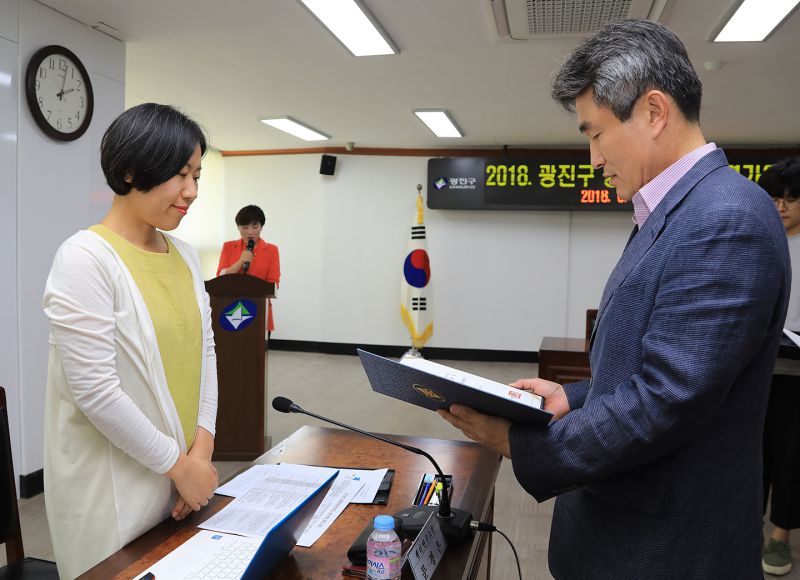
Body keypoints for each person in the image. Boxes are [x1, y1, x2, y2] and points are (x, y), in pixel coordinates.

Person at [437, 19, 790, 579]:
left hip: (665, 548)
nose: (592, 158)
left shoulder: (725, 218)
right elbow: (648, 364)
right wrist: (569, 400)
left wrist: (520, 445)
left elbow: (665, 399)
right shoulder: (677, 211)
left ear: (653, 112)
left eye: (596, 133)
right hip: (624, 529)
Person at [43, 103, 219, 578]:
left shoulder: (184, 255)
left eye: (197, 176)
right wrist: (179, 467)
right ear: (130, 171)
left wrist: (199, 456)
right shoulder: (84, 258)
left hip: (183, 482)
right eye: (180, 175)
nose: (192, 191)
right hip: (114, 492)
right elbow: (96, 392)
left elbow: (205, 353)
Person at [758, 159, 800, 576]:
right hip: (756, 367)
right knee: (751, 448)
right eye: (774, 198)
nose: (782, 206)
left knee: (792, 455)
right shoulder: (760, 238)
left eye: (791, 198)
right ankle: (746, 520)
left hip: (797, 375)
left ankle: (781, 534)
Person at [217, 205, 281, 333]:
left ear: (261, 227)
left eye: (255, 227)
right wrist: (241, 261)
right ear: (238, 227)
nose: (250, 232)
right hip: (231, 309)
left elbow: (274, 284)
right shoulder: (229, 247)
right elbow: (221, 276)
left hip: (259, 310)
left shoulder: (271, 250)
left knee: (256, 352)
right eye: (245, 227)